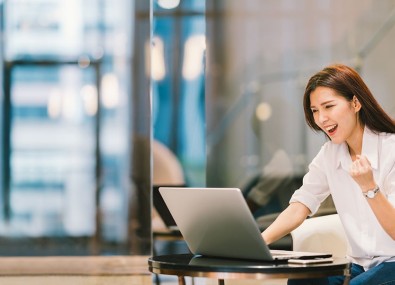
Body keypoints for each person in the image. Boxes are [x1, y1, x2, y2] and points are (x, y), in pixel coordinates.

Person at [261, 63, 395, 285]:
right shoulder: (330, 153)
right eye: (315, 111)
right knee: (302, 281)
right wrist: (259, 242)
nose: (321, 118)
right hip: (358, 266)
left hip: (392, 262)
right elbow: (300, 206)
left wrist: (369, 187)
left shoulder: (391, 149)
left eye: (328, 106)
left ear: (355, 102)